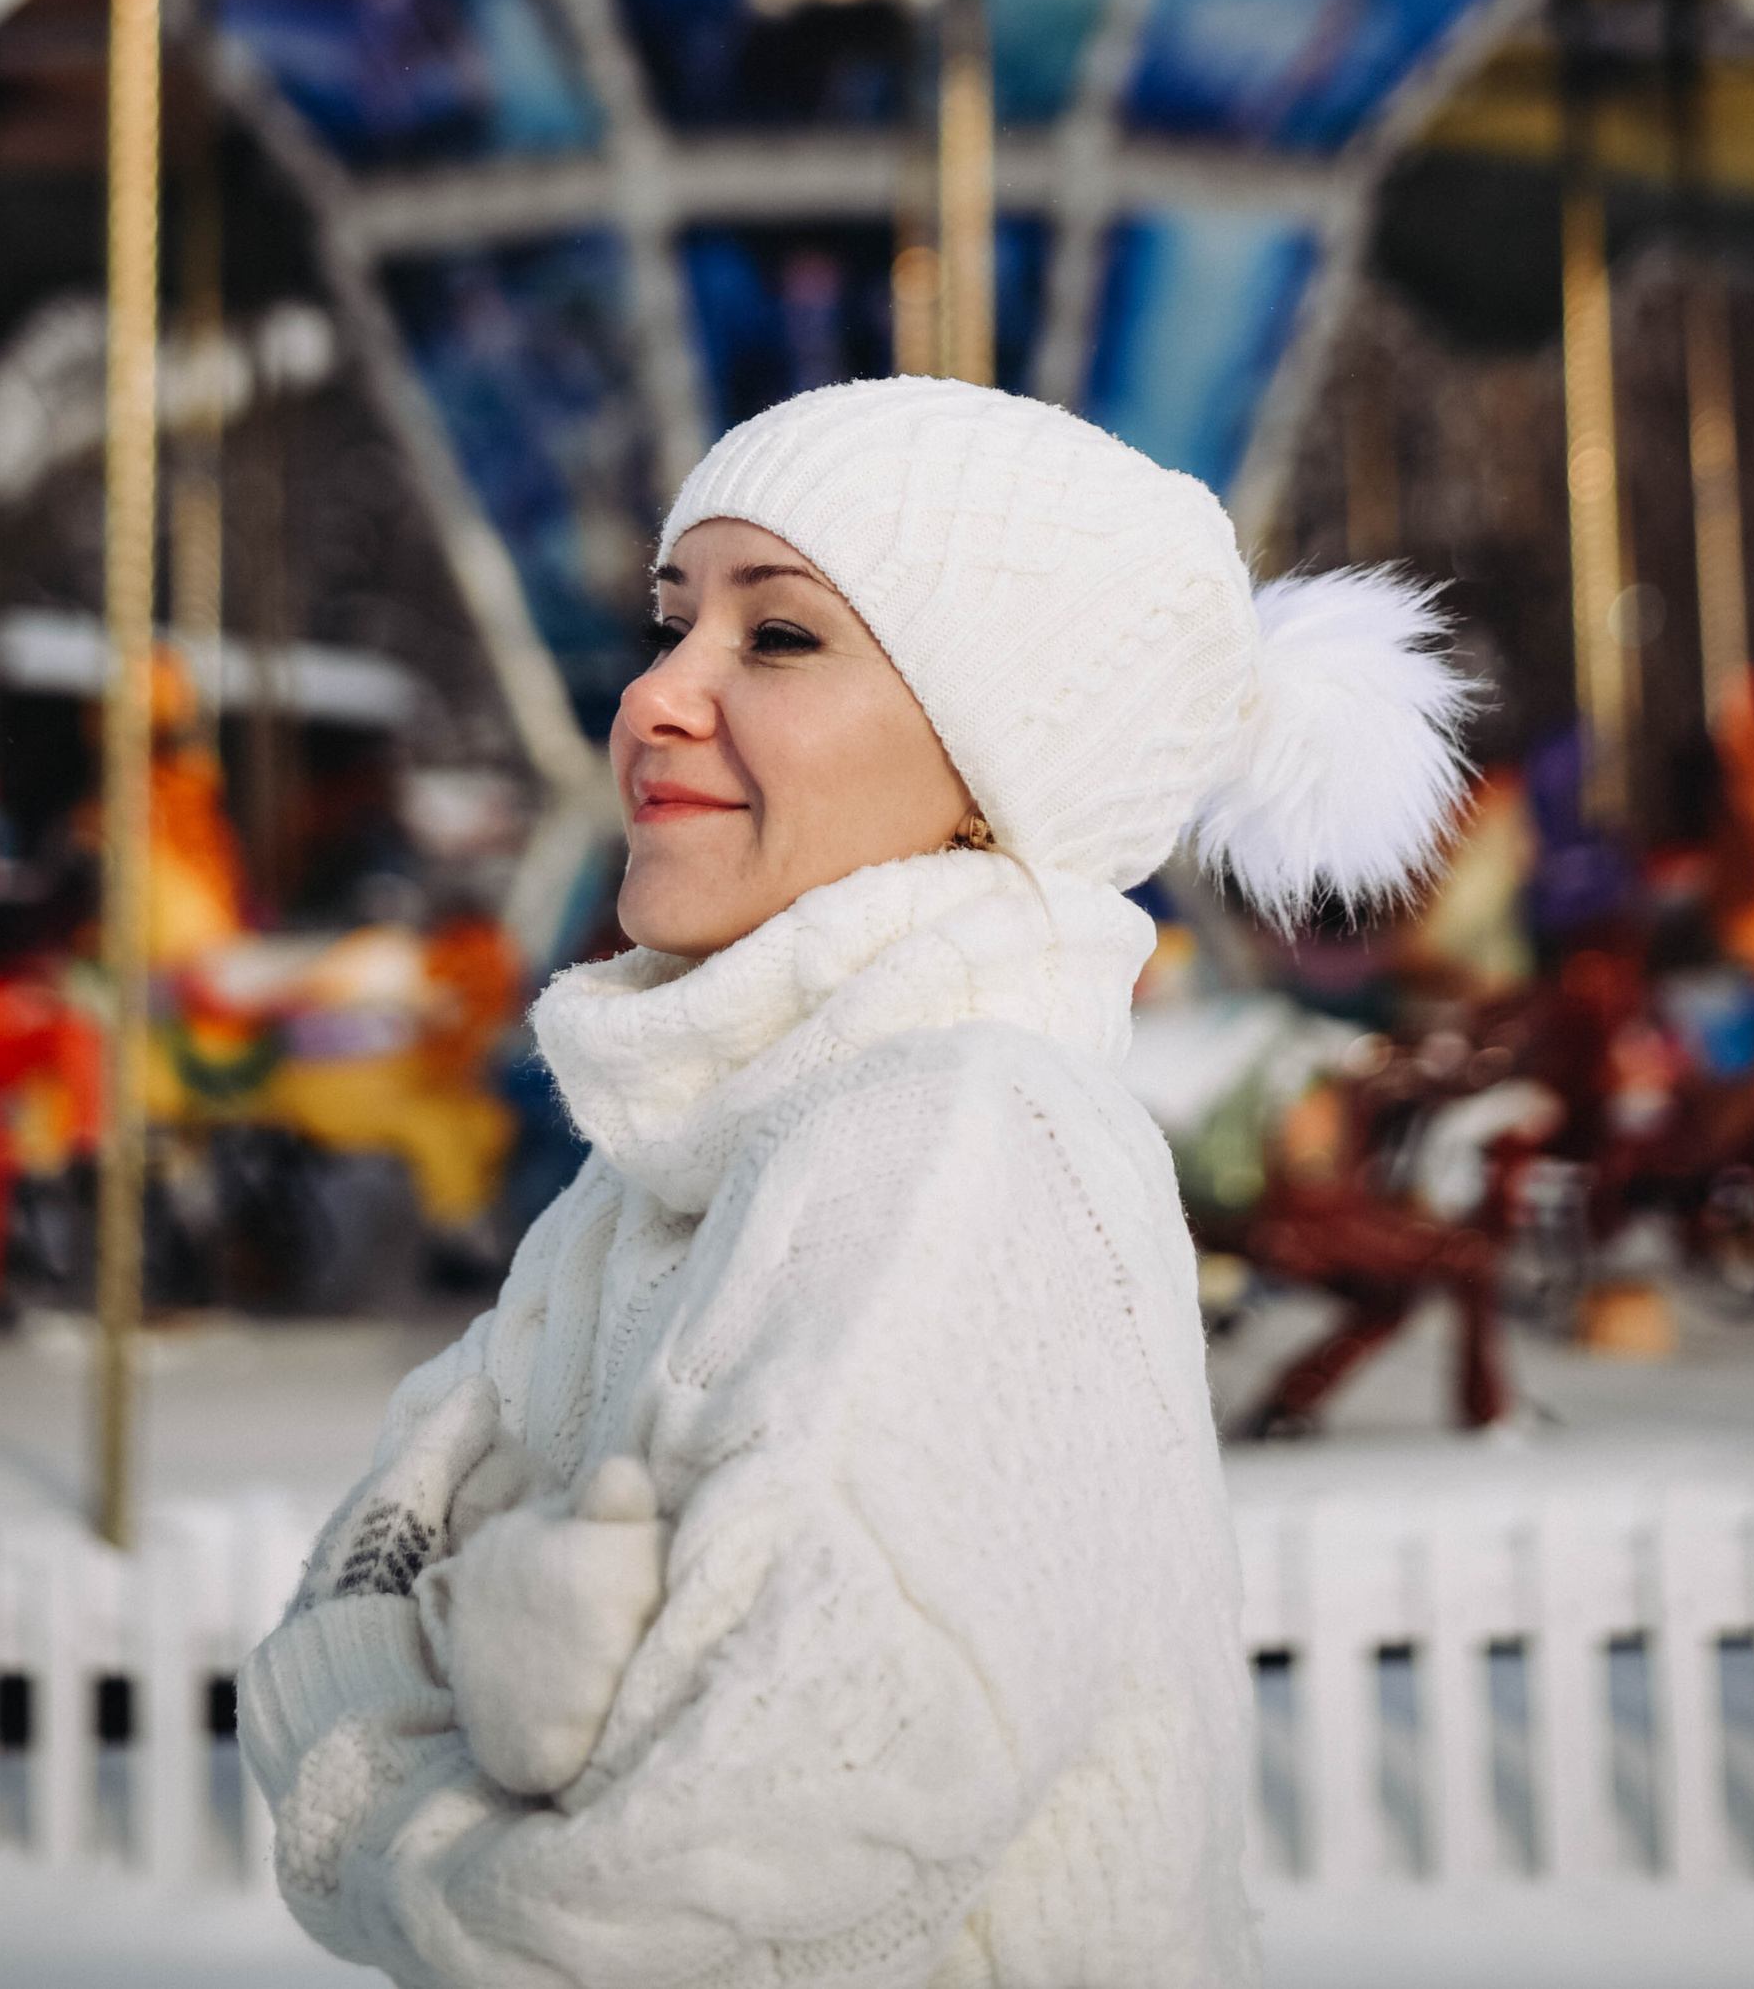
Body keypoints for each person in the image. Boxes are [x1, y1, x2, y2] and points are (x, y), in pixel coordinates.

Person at [241, 375, 1467, 1987]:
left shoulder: (966, 1145)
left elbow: (700, 1867)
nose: (658, 696)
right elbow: (344, 1594)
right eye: (671, 621)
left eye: (781, 636)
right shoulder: (657, 1181)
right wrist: (516, 1691)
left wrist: (431, 1732)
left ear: (987, 768)